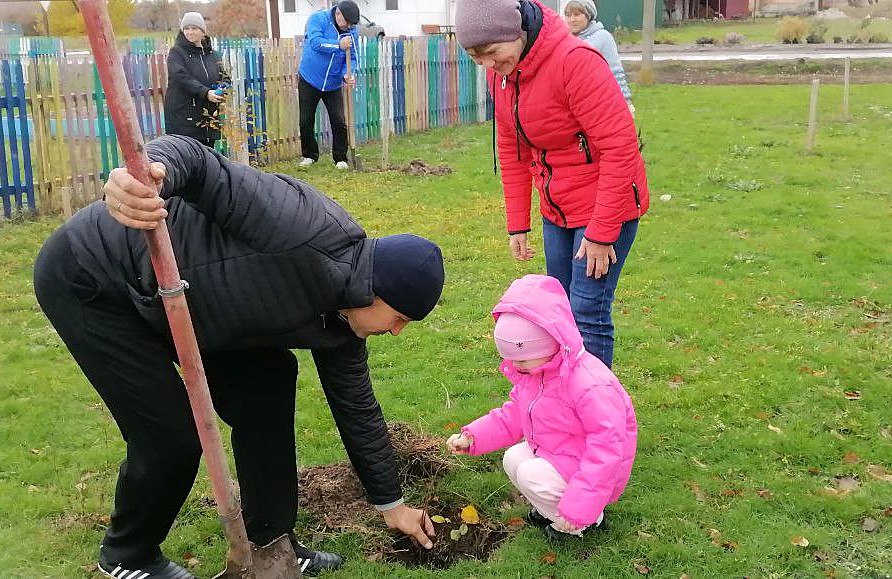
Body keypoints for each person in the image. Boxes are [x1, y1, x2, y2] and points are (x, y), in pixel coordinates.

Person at [33, 135, 443, 578]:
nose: (396, 331)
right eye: (399, 316)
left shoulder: (342, 324)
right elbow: (201, 164)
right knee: (169, 435)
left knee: (270, 381)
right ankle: (127, 555)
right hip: (94, 279)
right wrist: (147, 175)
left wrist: (391, 504)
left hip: (192, 305)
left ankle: (270, 541)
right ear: (376, 288)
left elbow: (357, 409)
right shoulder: (300, 224)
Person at [455, 0, 650, 368]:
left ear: (517, 31)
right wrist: (518, 223)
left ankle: (596, 411)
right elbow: (512, 148)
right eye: (474, 56)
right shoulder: (501, 74)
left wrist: (602, 232)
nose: (486, 65)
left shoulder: (576, 61)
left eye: (491, 53)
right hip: (556, 207)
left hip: (607, 204)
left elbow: (620, 147)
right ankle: (564, 401)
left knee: (587, 311)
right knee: (559, 311)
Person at [447, 274, 637, 540]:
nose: (517, 367)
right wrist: (472, 436)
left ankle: (586, 520)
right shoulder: (537, 374)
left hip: (588, 465)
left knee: (530, 474)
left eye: (524, 359)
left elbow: (607, 448)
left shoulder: (590, 385)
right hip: (559, 451)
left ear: (551, 342)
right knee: (513, 459)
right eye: (513, 360)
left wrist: (581, 505)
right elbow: (512, 414)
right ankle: (553, 510)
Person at [297, 0, 361, 170]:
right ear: (338, 14)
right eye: (346, 22)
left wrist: (348, 73)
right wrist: (338, 45)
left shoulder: (352, 32)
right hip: (310, 77)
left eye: (351, 24)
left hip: (332, 83)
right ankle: (309, 155)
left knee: (339, 120)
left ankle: (340, 157)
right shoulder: (318, 19)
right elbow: (316, 42)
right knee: (306, 119)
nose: (348, 26)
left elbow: (352, 56)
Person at [164, 12, 227, 148]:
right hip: (185, 117)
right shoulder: (177, 53)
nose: (190, 32)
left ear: (202, 31)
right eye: (186, 28)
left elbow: (224, 76)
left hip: (208, 115)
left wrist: (222, 88)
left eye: (194, 28)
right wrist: (205, 93)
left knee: (208, 158)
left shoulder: (212, 54)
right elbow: (181, 77)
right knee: (190, 158)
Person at [562, 0, 635, 116]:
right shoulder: (563, 40)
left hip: (597, 104)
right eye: (568, 15)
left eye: (577, 15)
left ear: (588, 15)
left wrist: (626, 102)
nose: (572, 20)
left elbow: (615, 71)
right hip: (569, 108)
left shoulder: (602, 38)